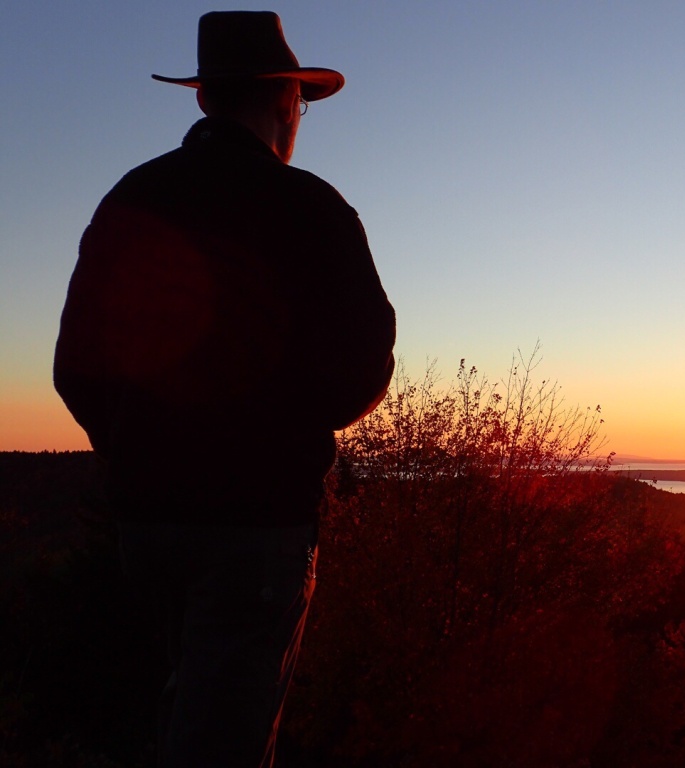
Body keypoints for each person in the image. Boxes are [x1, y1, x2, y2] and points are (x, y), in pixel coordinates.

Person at [54, 11, 396, 767]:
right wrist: (280, 433)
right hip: (260, 530)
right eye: (299, 104)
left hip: (146, 527)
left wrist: (134, 449)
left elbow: (74, 368)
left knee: (183, 708)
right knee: (228, 740)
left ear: (205, 100)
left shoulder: (131, 199)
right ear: (283, 102)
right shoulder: (313, 209)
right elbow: (365, 366)